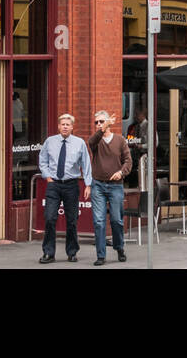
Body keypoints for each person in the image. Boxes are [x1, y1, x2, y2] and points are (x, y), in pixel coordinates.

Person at [38, 113, 91, 264]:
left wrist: (88, 184)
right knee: (49, 218)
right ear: (59, 126)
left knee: (72, 220)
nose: (65, 127)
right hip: (53, 184)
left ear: (72, 127)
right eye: (63, 124)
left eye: (68, 124)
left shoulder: (79, 143)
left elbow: (86, 164)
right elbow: (43, 160)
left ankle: (72, 252)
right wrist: (47, 177)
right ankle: (48, 253)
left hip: (71, 185)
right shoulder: (50, 141)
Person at [88, 110, 132, 266]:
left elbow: (128, 161)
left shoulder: (120, 140)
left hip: (115, 186)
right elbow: (91, 142)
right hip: (98, 185)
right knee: (98, 221)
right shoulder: (96, 141)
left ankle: (119, 247)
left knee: (116, 220)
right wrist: (103, 127)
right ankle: (101, 255)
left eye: (102, 122)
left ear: (108, 123)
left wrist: (121, 172)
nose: (99, 124)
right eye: (97, 122)